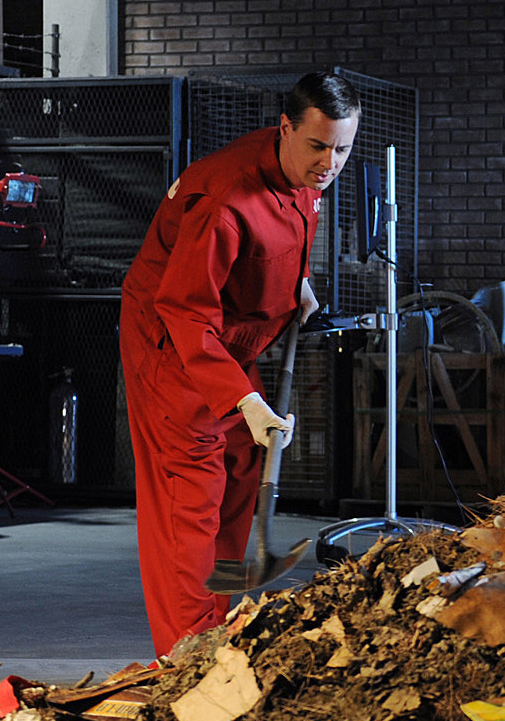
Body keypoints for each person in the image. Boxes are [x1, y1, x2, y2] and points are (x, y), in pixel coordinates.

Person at [120, 71, 360, 656]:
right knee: (191, 501)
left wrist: (295, 281)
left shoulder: (303, 167)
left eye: (344, 148)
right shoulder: (225, 200)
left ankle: (221, 619)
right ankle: (187, 658)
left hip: (227, 344)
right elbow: (183, 309)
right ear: (286, 128)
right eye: (319, 146)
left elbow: (281, 234)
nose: (330, 162)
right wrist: (245, 399)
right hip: (174, 349)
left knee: (243, 475)